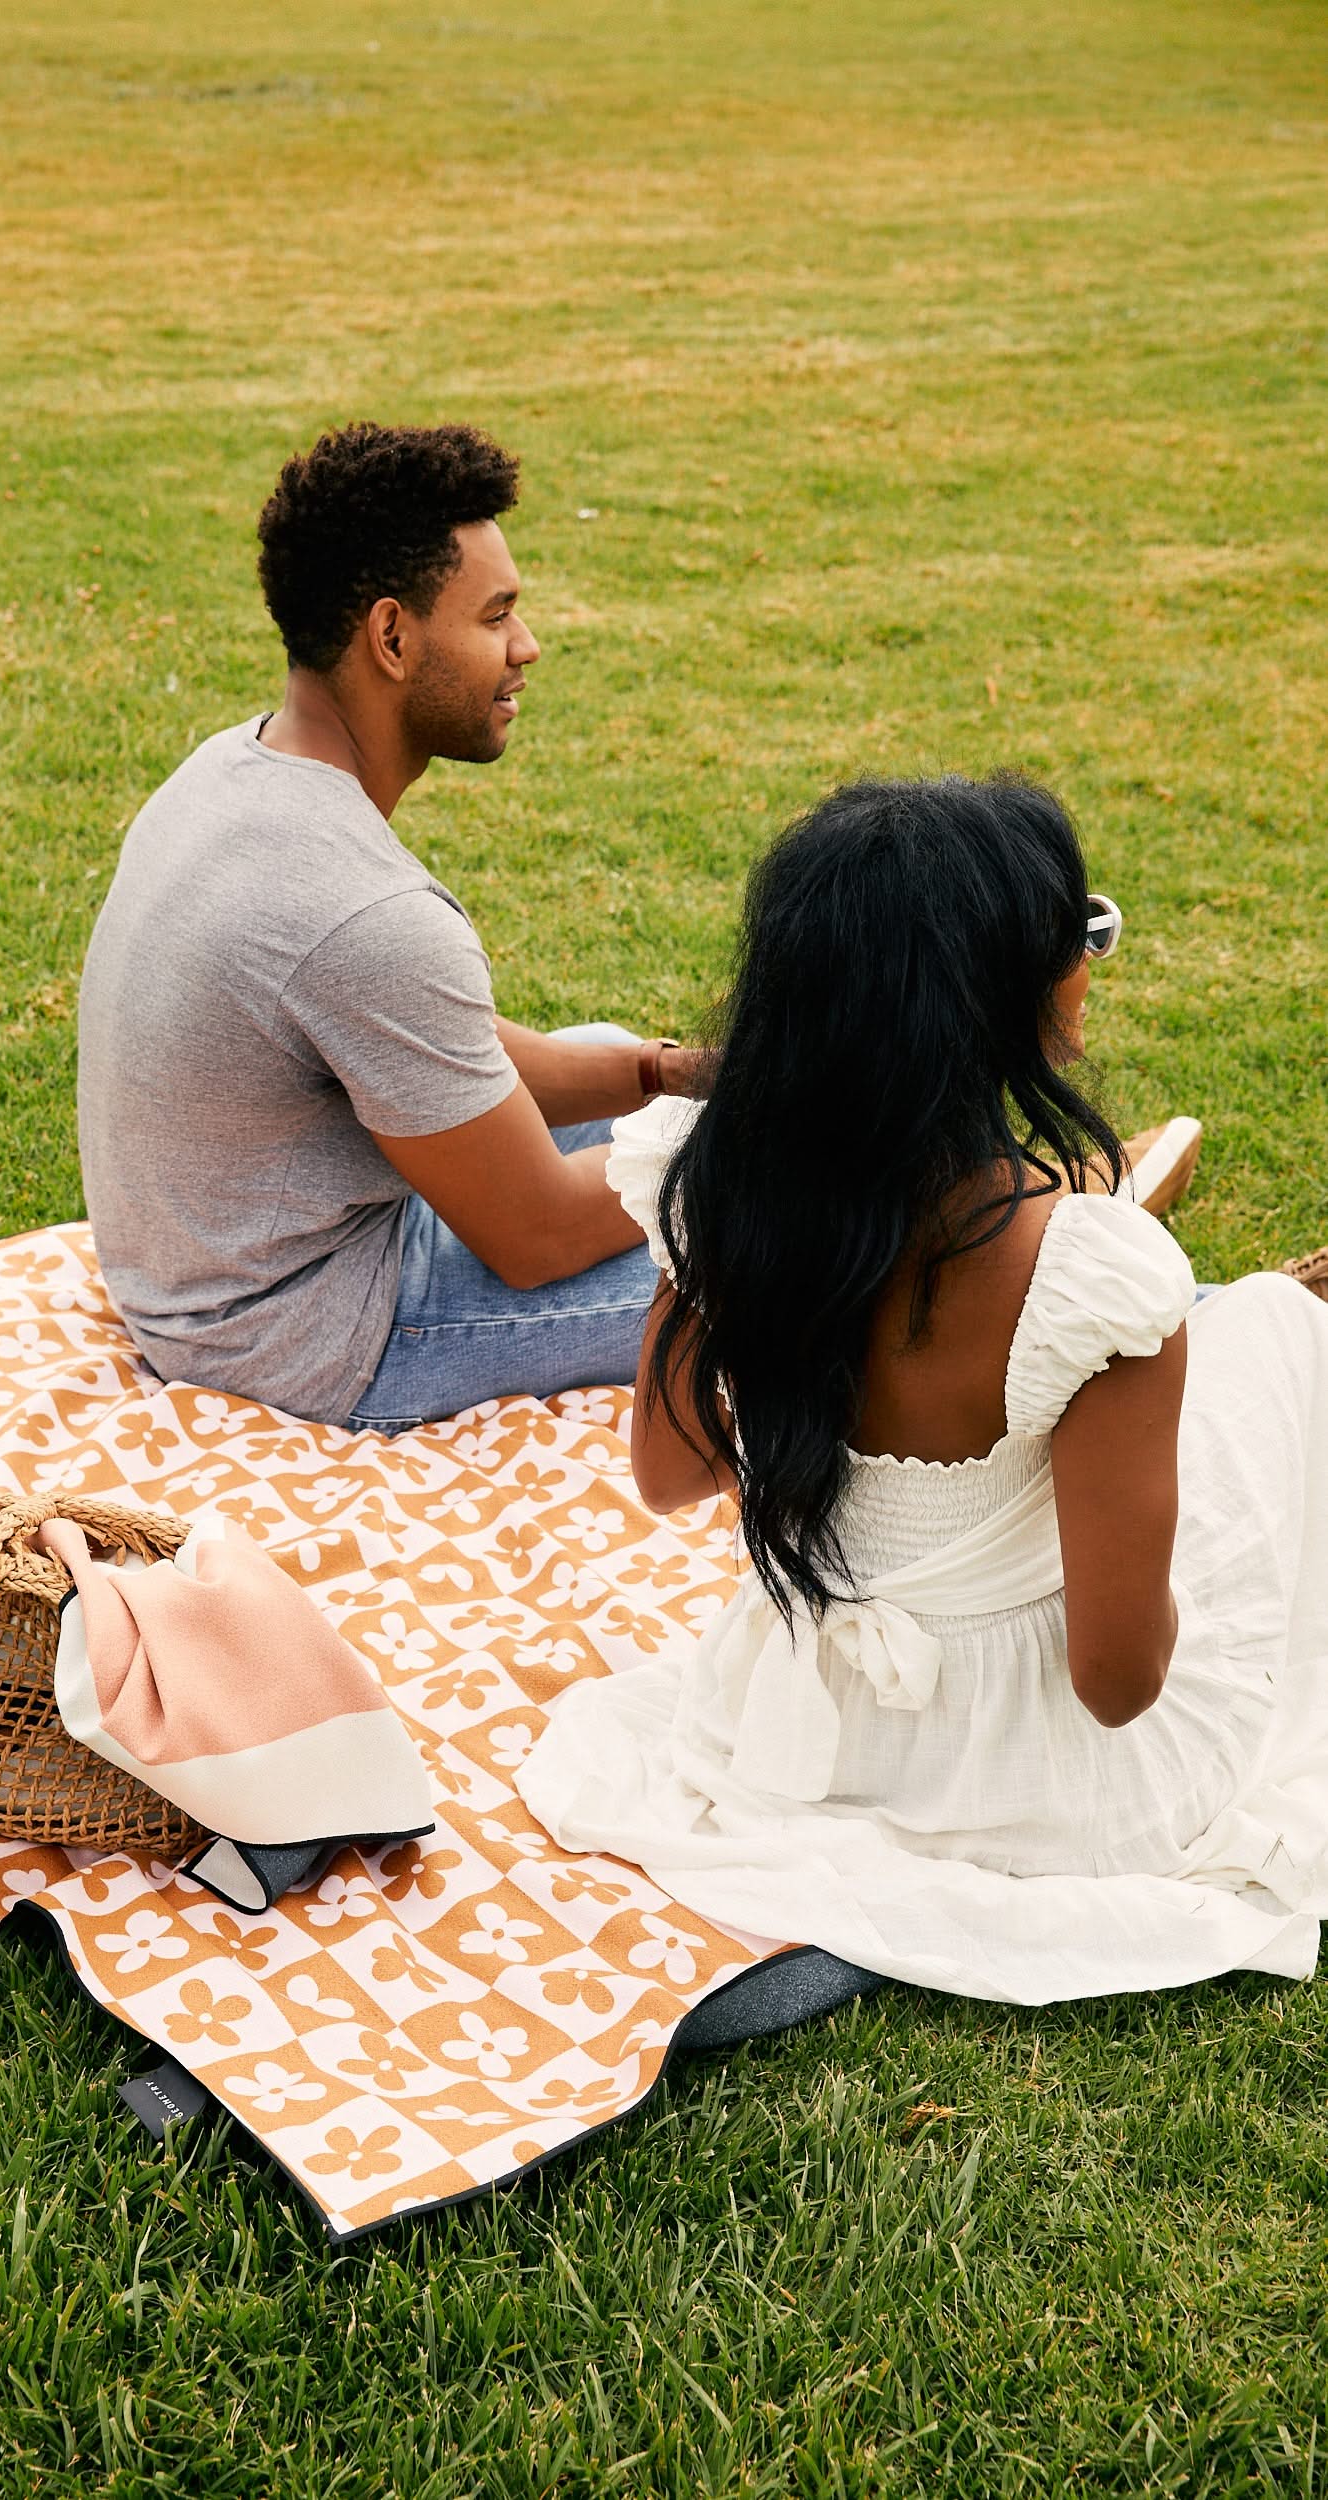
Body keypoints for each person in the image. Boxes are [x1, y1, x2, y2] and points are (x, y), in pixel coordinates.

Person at [517, 776, 1328, 2006]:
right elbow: (1118, 1683)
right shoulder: (1090, 1277)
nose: (1090, 966)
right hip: (1047, 1783)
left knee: (1245, 1343)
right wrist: (1197, 1571)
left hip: (799, 1733)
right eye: (1082, 935)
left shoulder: (715, 1187)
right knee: (1267, 1330)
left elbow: (666, 1473)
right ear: (1006, 996)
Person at [77, 422, 707, 1432]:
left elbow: (430, 1050)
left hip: (213, 1257)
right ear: (391, 637)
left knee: (608, 1062)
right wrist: (753, 1144)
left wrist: (671, 1077)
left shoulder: (232, 771)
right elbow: (536, 1236)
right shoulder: (362, 914)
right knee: (797, 1271)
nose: (525, 646)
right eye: (495, 615)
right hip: (301, 1332)